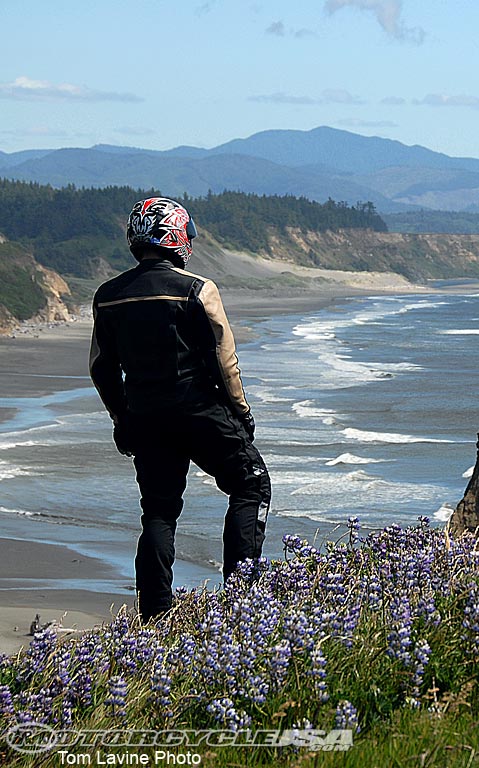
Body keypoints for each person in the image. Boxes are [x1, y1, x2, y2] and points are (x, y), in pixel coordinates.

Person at [89, 197, 271, 621]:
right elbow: (224, 361)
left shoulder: (108, 296)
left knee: (159, 510)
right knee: (251, 486)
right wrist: (241, 414)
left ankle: (154, 617)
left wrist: (122, 419)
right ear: (175, 237)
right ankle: (241, 601)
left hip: (145, 417)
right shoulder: (198, 289)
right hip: (199, 410)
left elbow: (100, 368)